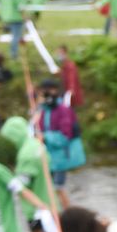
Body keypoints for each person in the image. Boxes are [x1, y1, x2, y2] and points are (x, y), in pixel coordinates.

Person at [0, 116, 59, 232]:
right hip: (51, 201)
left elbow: (23, 184)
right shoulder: (37, 145)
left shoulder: (25, 154)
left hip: (36, 208)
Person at [34, 78, 82, 208]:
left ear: (56, 90)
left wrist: (45, 136)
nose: (47, 93)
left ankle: (67, 216)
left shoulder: (64, 110)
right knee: (47, 189)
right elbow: (36, 130)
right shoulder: (42, 111)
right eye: (44, 91)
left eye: (49, 90)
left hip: (60, 158)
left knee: (57, 188)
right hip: (47, 158)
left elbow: (64, 137)